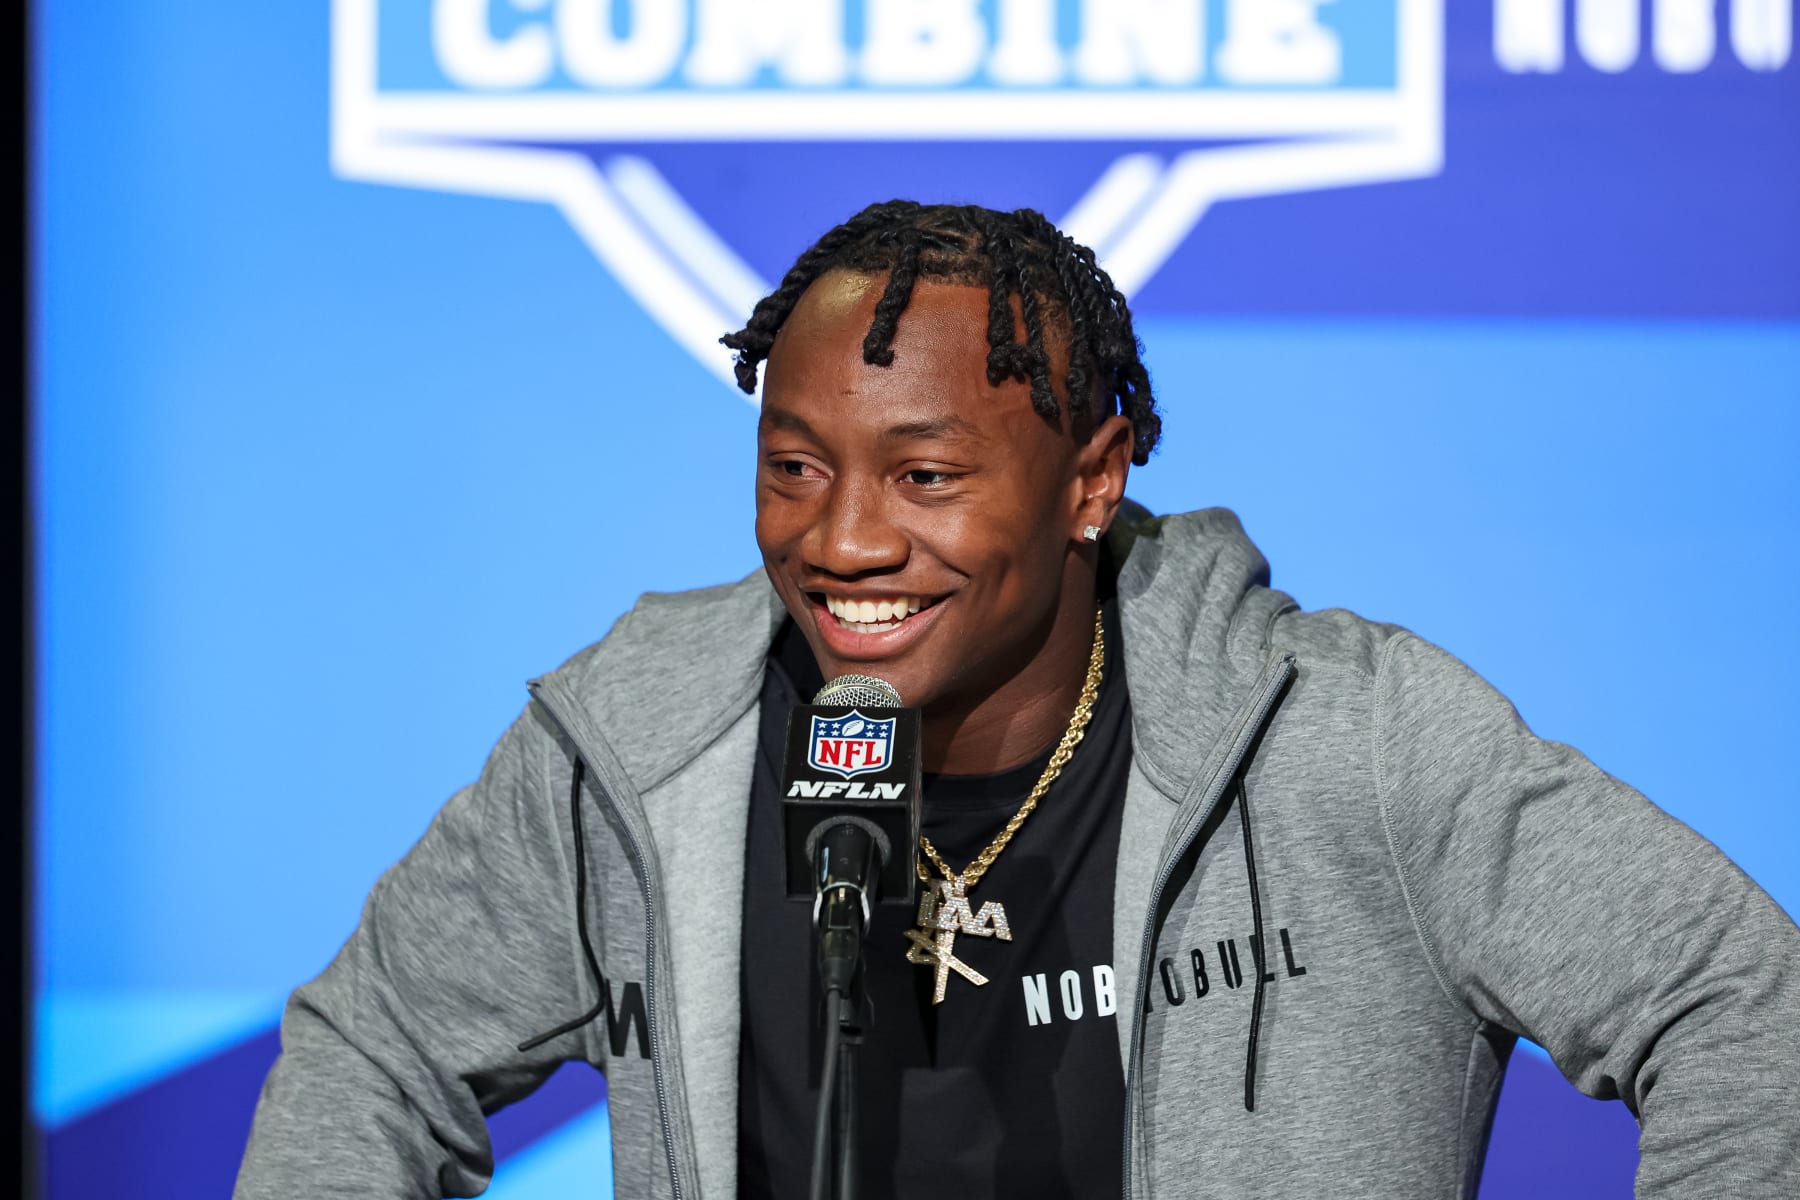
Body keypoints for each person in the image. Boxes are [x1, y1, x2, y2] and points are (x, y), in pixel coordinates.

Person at [235, 201, 1800, 1199]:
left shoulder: (1348, 739)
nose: (842, 540)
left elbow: (1745, 1008)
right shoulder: (636, 752)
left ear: (1092, 482)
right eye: (794, 469)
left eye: (924, 476)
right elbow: (372, 1055)